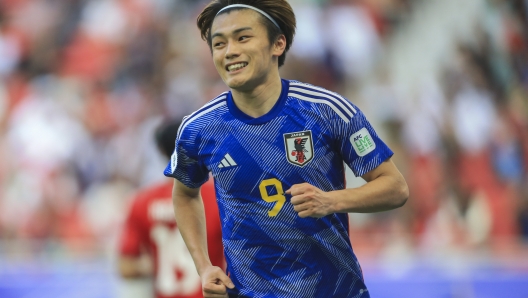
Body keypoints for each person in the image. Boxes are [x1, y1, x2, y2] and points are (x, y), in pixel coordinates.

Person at [164, 1, 409, 297]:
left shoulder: (328, 111)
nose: (229, 51)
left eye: (243, 38)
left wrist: (331, 201)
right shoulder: (199, 128)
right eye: (219, 43)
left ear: (278, 43)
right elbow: (185, 194)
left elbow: (395, 187)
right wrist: (203, 265)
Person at [118, 120, 224, 298]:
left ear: (159, 150)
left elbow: (126, 266)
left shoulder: (142, 201)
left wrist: (160, 263)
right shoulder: (217, 196)